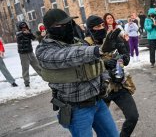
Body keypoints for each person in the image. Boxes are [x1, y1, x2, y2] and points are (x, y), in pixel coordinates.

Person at [35, 9, 119, 137]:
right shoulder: (45, 50)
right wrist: (97, 50)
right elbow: (68, 56)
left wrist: (105, 81)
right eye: (61, 25)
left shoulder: (77, 41)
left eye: (69, 23)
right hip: (77, 109)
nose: (68, 27)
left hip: (98, 102)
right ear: (50, 28)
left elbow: (98, 64)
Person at [85, 15, 139, 137]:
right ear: (90, 29)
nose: (101, 28)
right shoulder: (86, 44)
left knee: (132, 117)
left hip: (118, 85)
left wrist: (122, 58)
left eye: (102, 25)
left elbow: (125, 58)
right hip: (101, 90)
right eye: (97, 26)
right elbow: (86, 64)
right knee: (102, 127)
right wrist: (104, 63)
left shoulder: (113, 37)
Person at [16, 21, 42, 87]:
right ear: (20, 28)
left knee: (37, 65)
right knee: (25, 69)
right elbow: (19, 36)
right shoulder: (18, 33)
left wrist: (29, 33)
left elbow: (34, 38)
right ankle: (26, 82)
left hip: (30, 52)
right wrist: (23, 32)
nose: (24, 28)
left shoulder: (28, 32)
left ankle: (44, 77)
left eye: (25, 27)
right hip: (23, 54)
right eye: (22, 27)